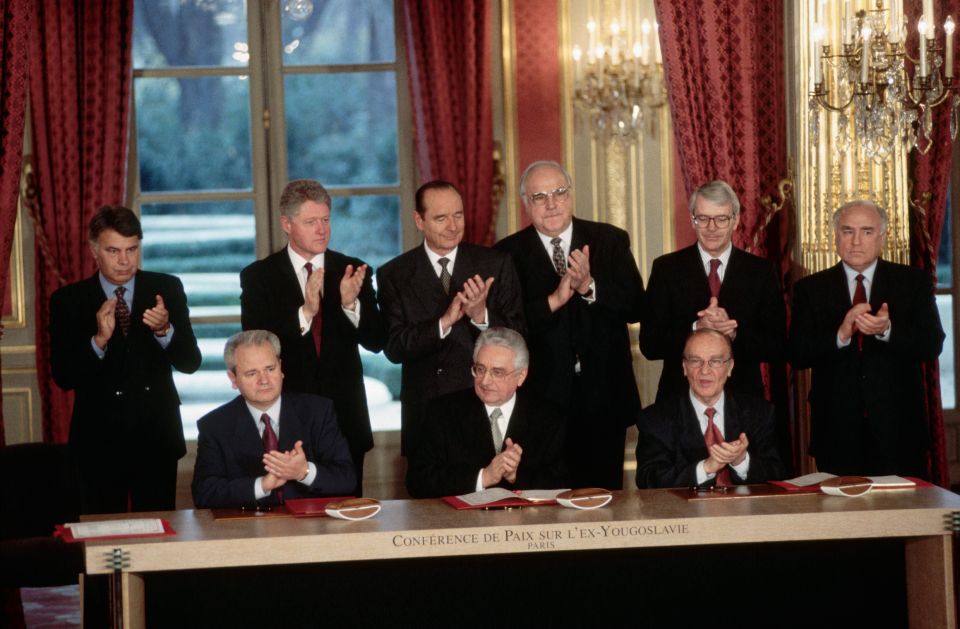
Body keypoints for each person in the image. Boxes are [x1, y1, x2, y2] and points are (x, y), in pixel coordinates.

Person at [495, 160, 644, 489]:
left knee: (602, 505)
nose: (551, 204)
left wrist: (590, 287)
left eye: (559, 193)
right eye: (539, 196)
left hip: (603, 400)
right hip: (539, 403)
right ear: (525, 203)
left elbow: (636, 306)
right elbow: (504, 328)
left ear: (570, 194)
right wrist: (553, 301)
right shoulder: (507, 254)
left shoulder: (609, 240)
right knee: (542, 508)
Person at [50, 205, 202, 513]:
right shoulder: (69, 300)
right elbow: (63, 377)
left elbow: (190, 362)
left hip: (157, 437)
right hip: (98, 441)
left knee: (159, 539)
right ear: (94, 250)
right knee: (104, 542)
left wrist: (164, 330)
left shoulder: (166, 288)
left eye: (132, 249)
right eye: (113, 250)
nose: (124, 261)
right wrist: (98, 341)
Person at [240, 179, 383, 496]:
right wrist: (305, 312)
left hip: (346, 423)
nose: (322, 230)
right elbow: (253, 344)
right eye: (311, 222)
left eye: (326, 220)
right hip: (286, 423)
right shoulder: (258, 277)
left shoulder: (354, 270)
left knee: (346, 523)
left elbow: (377, 340)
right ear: (287, 223)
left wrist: (350, 304)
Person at [789, 200, 944, 478]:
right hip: (836, 434)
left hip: (899, 431)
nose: (856, 241)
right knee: (842, 521)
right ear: (835, 236)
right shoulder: (810, 289)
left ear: (882, 237)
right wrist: (840, 335)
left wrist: (887, 331)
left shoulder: (912, 283)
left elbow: (932, 344)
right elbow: (798, 354)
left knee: (901, 520)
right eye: (847, 231)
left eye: (867, 231)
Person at [377, 180, 524, 456]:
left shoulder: (496, 264)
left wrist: (481, 315)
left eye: (458, 215)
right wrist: (443, 323)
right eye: (441, 218)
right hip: (426, 415)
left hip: (484, 408)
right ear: (419, 220)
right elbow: (395, 348)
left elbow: (519, 336)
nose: (453, 226)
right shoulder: (394, 274)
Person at [640, 180, 786, 403]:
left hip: (743, 402)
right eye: (704, 219)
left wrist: (734, 333)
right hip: (679, 403)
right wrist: (696, 328)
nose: (711, 228)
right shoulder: (666, 269)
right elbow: (650, 345)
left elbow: (776, 345)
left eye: (721, 219)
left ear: (735, 220)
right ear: (692, 219)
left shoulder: (761, 272)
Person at [192, 330, 355, 509]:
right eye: (252, 373)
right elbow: (203, 493)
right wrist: (261, 485)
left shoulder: (318, 411)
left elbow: (347, 479)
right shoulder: (215, 425)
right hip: (247, 529)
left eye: (270, 369)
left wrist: (303, 472)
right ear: (233, 379)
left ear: (281, 368)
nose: (264, 380)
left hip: (311, 529)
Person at [406, 327, 568, 498]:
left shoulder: (548, 417)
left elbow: (562, 483)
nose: (485, 381)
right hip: (463, 522)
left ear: (521, 376)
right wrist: (483, 477)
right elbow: (417, 482)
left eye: (497, 372)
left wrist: (515, 477)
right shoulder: (442, 412)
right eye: (480, 369)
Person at [635, 329, 783, 489]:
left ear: (730, 367)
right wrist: (706, 468)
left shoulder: (759, 413)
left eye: (716, 361)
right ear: (684, 367)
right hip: (685, 513)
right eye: (695, 361)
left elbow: (778, 476)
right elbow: (648, 481)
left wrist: (741, 461)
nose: (705, 370)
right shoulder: (655, 419)